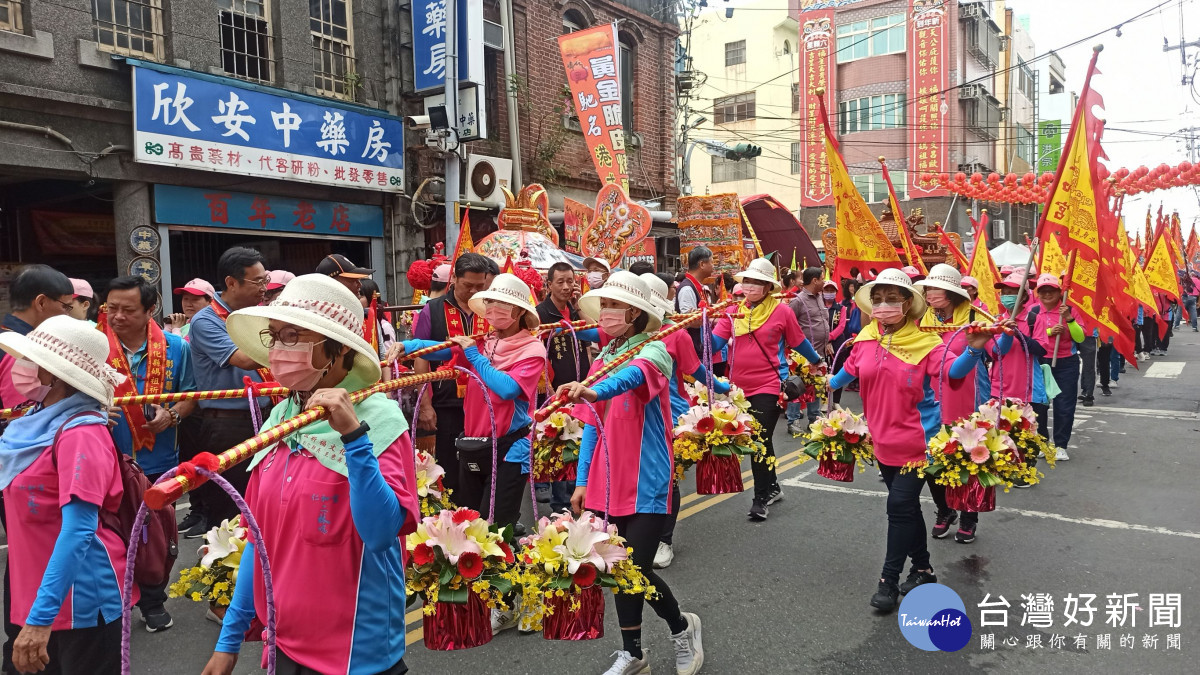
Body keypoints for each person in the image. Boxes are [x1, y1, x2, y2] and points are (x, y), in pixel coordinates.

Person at [201, 274, 418, 675]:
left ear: (337, 351)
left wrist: (354, 439)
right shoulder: (281, 419)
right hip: (283, 640)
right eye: (275, 336)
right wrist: (229, 641)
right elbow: (259, 540)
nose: (280, 350)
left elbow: (382, 531)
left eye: (293, 336)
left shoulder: (379, 420)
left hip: (355, 649)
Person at [557, 271, 703, 675]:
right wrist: (583, 480)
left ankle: (681, 627)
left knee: (634, 569)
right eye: (602, 304)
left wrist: (593, 389)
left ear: (637, 313)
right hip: (605, 481)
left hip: (648, 478)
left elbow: (631, 377)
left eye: (612, 305)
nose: (604, 312)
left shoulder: (654, 351)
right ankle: (633, 652)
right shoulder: (602, 358)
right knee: (616, 568)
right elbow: (591, 426)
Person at [826, 269, 988, 611]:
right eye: (878, 299)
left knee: (898, 507)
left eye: (892, 299)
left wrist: (973, 350)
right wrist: (816, 380)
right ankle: (923, 568)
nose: (883, 306)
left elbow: (951, 375)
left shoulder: (927, 343)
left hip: (919, 442)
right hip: (882, 441)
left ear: (907, 304)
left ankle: (888, 579)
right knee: (907, 510)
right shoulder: (865, 340)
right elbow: (842, 376)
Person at [0, 315, 131, 674]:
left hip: (80, 602)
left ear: (54, 374)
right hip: (40, 594)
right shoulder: (33, 423)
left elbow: (78, 530)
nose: (22, 368)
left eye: (32, 361)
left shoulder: (81, 435)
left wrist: (40, 620)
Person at [102, 275, 197, 633]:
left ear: (150, 310)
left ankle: (154, 600)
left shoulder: (176, 348)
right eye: (112, 309)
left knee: (156, 535)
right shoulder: (95, 347)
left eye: (128, 310)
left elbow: (189, 395)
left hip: (159, 463)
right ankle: (115, 603)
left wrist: (172, 415)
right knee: (110, 532)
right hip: (107, 460)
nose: (118, 317)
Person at [0, 264, 73, 672]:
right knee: (31, 557)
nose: (71, 315)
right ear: (42, 303)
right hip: (22, 474)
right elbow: (25, 417)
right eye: (66, 306)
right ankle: (25, 643)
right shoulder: (24, 351)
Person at [710, 258, 823, 522]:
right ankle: (772, 486)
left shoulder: (782, 312)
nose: (750, 286)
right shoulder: (733, 311)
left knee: (758, 439)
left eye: (756, 282)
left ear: (767, 287)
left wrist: (817, 360)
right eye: (747, 281)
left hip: (769, 385)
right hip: (736, 388)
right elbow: (713, 344)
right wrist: (698, 326)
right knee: (759, 441)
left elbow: (798, 341)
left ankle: (760, 498)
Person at [641, 273, 726, 570]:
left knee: (667, 477)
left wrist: (720, 387)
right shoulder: (622, 337)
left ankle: (664, 540)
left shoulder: (676, 333)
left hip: (670, 412)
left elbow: (697, 369)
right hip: (633, 414)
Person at [184, 247, 270, 538]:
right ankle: (220, 577)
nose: (264, 287)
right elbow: (245, 359)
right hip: (227, 423)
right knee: (229, 509)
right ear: (232, 282)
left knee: (261, 500)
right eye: (258, 281)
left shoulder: (257, 315)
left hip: (266, 415)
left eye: (265, 279)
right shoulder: (206, 321)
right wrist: (292, 344)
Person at [402, 252, 494, 494]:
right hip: (446, 402)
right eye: (468, 285)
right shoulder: (432, 310)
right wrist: (425, 406)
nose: (474, 291)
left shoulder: (490, 308)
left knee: (485, 461)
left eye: (479, 285)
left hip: (485, 402)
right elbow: (422, 357)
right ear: (454, 279)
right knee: (450, 465)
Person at [916, 264, 990, 544]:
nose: (928, 293)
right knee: (932, 459)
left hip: (967, 397)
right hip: (931, 398)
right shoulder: (922, 318)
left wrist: (1003, 334)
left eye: (934, 288)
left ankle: (970, 515)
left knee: (967, 458)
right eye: (927, 288)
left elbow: (999, 350)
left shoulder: (975, 317)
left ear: (950, 293)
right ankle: (945, 510)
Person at [537, 262, 589, 514]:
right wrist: (547, 389)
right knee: (560, 444)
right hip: (557, 391)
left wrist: (579, 307)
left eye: (571, 281)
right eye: (561, 282)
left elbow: (595, 333)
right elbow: (538, 356)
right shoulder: (541, 314)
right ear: (549, 285)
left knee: (580, 443)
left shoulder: (575, 311)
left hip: (583, 387)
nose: (568, 287)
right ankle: (560, 506)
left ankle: (580, 496)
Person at [1022, 274, 1084, 461]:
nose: (1047, 294)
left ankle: (1061, 445)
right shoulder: (1031, 311)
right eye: (1043, 291)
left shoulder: (1070, 309)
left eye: (1052, 290)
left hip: (1066, 363)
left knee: (1064, 405)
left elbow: (1080, 338)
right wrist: (1049, 332)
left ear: (1059, 292)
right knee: (1038, 405)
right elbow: (1027, 337)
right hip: (1040, 361)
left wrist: (1069, 320)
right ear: (1038, 293)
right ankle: (1041, 442)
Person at [787, 267, 833, 435]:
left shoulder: (820, 297)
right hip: (801, 355)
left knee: (816, 387)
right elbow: (788, 327)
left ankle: (814, 420)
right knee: (797, 388)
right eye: (822, 278)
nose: (824, 282)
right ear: (814, 281)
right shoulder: (798, 301)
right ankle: (793, 421)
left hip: (820, 352)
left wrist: (827, 342)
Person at [676, 247, 714, 358]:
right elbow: (688, 321)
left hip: (698, 347)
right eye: (711, 262)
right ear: (702, 264)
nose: (713, 266)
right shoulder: (687, 288)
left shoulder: (696, 286)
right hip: (692, 351)